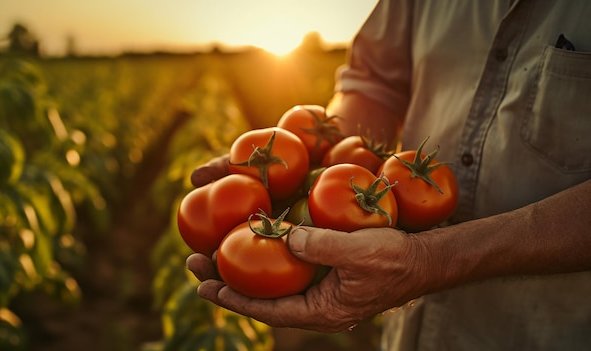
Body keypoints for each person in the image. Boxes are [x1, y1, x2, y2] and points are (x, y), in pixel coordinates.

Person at [187, 1, 591, 350]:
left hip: (552, 328)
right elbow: (374, 80)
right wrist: (331, 153)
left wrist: (430, 260)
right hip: (409, 328)